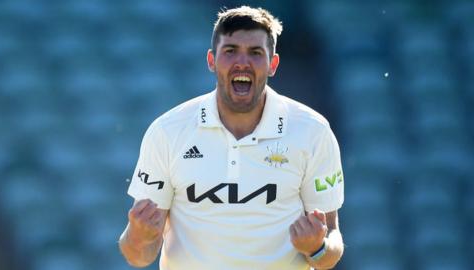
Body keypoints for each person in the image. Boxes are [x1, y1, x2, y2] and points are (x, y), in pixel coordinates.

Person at [119, 6, 345, 270]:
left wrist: (317, 249)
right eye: (230, 51)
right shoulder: (168, 131)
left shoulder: (312, 131)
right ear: (211, 60)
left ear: (273, 64)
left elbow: (332, 240)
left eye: (255, 53)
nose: (242, 62)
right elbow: (138, 256)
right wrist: (137, 237)